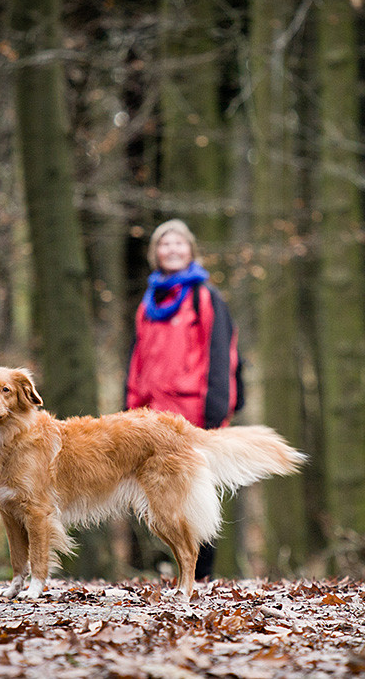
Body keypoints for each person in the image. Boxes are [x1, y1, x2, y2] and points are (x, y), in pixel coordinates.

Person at [126, 218, 240, 580]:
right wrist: (130, 407)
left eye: (179, 244)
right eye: (164, 244)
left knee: (196, 493)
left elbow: (222, 355)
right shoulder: (148, 303)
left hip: (193, 410)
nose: (172, 250)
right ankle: (168, 569)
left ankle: (201, 575)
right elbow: (137, 360)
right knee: (156, 497)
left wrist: (217, 409)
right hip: (151, 415)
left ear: (191, 250)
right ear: (154, 253)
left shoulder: (205, 297)